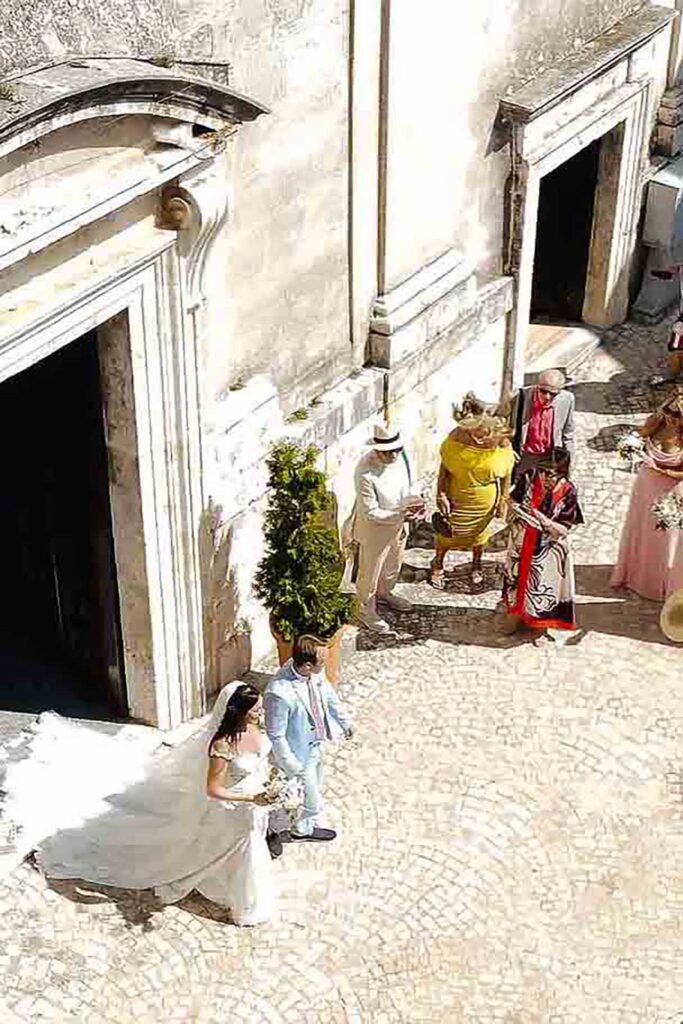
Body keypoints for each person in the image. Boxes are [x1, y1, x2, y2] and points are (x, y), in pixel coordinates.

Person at [2, 682, 277, 926]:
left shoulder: (254, 727)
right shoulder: (222, 746)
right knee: (239, 848)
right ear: (237, 712)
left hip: (253, 805)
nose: (260, 713)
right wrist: (251, 798)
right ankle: (244, 902)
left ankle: (240, 890)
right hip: (231, 808)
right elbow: (213, 789)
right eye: (255, 709)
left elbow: (259, 761)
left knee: (244, 847)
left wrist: (273, 786)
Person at [264, 635, 353, 842]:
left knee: (314, 787)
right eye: (322, 661)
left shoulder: (315, 673)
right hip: (298, 754)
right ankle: (273, 832)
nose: (325, 665)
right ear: (306, 665)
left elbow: (329, 696)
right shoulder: (279, 693)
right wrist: (291, 764)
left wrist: (345, 722)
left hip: (317, 744)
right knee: (307, 799)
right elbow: (276, 734)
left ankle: (302, 829)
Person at [345, 423, 424, 634]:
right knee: (369, 572)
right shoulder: (364, 472)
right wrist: (399, 515)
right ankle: (365, 609)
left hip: (399, 523)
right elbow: (370, 511)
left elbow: (411, 482)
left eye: (396, 450)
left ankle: (385, 593)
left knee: (393, 565)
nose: (394, 456)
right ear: (378, 450)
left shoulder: (403, 458)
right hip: (374, 530)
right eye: (388, 452)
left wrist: (415, 503)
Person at [501, 447, 584, 638]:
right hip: (521, 540)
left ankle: (539, 625)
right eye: (543, 471)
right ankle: (515, 615)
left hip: (548, 549)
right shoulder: (530, 477)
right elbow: (513, 500)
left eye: (551, 474)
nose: (545, 477)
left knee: (542, 586)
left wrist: (542, 519)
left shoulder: (569, 491)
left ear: (562, 473)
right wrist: (517, 510)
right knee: (517, 578)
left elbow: (563, 529)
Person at [611, 387, 683, 602]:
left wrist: (663, 470)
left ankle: (662, 583)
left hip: (673, 490)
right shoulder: (656, 422)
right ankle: (636, 576)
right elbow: (640, 438)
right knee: (642, 529)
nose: (672, 417)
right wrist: (630, 448)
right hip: (646, 486)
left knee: (666, 536)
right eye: (670, 411)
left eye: (678, 415)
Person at [430, 413, 515, 589]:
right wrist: (441, 494)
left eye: (484, 434)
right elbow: (444, 467)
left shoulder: (502, 442)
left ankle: (476, 564)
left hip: (485, 502)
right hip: (457, 497)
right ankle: (437, 564)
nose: (478, 438)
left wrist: (503, 500)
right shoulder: (457, 438)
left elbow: (507, 474)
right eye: (475, 433)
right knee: (447, 534)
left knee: (479, 534)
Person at [510, 369, 575, 477]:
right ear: (537, 386)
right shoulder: (520, 397)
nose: (547, 397)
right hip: (526, 456)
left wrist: (568, 463)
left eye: (553, 394)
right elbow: (506, 426)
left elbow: (568, 432)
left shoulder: (567, 400)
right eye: (543, 391)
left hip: (550, 457)